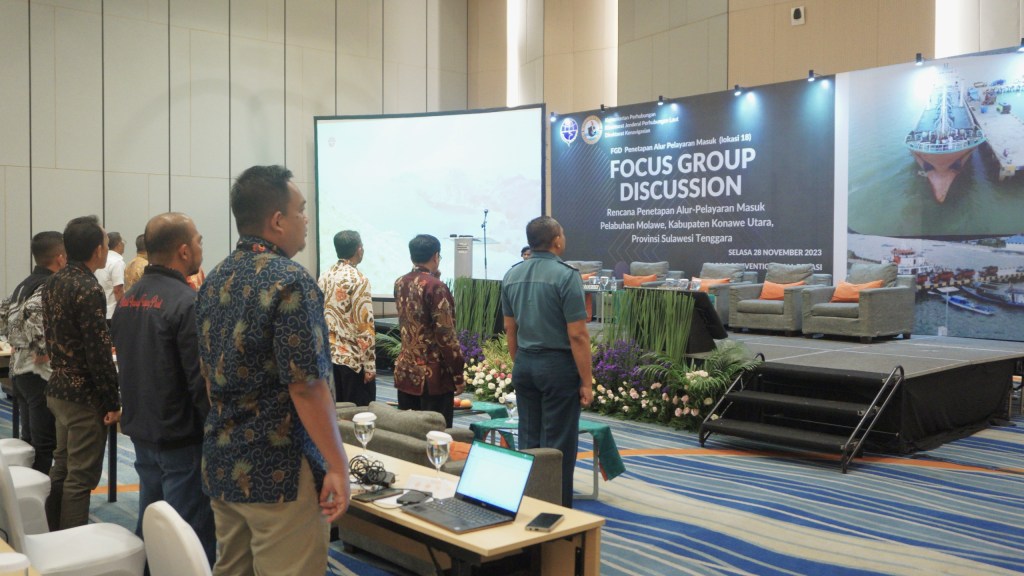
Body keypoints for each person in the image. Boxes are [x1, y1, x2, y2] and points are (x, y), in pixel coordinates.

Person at [196, 165, 349, 575]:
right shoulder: (291, 281)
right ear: (278, 221)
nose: (306, 220)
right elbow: (307, 387)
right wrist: (337, 466)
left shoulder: (215, 278)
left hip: (222, 461)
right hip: (279, 472)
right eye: (301, 210)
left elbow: (209, 377)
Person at [110, 213, 215, 565]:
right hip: (181, 437)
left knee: (153, 526)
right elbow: (198, 379)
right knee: (187, 537)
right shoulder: (187, 302)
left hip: (143, 431)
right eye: (198, 241)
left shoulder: (129, 299)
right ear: (184, 250)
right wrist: (214, 428)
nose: (201, 247)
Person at [500, 216, 593, 507]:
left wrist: (520, 362)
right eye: (562, 233)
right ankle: (557, 510)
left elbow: (510, 329)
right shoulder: (566, 275)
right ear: (557, 241)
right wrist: (587, 381)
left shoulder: (512, 274)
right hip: (557, 367)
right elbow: (577, 334)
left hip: (525, 363)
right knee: (558, 444)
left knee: (529, 438)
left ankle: (527, 504)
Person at [42, 215, 121, 530]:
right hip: (83, 397)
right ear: (97, 249)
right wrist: (112, 401)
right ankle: (72, 545)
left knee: (61, 468)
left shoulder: (54, 281)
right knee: (80, 479)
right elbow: (98, 352)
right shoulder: (88, 288)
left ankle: (51, 533)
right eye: (105, 243)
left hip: (58, 387)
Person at [0, 232, 65, 474]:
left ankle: (24, 488)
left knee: (30, 441)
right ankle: (41, 492)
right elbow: (35, 310)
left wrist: (15, 339)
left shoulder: (25, 283)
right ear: (60, 257)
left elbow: (3, 314)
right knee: (44, 444)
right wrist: (41, 347)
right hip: (38, 372)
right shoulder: (49, 284)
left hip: (20, 370)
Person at [393, 234, 465, 428]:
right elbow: (446, 336)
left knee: (409, 433)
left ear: (412, 257)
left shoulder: (399, 282)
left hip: (406, 372)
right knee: (436, 435)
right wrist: (458, 374)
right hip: (432, 377)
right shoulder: (436, 287)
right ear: (435, 256)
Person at [318, 230, 376, 406]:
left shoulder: (325, 275)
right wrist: (369, 365)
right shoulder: (359, 280)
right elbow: (364, 325)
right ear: (359, 250)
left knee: (336, 413)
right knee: (358, 414)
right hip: (353, 362)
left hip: (329, 357)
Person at [94, 231, 125, 320]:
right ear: (119, 244)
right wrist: (123, 310)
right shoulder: (117, 262)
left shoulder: (100, 260)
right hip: (113, 313)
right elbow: (118, 290)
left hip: (100, 310)